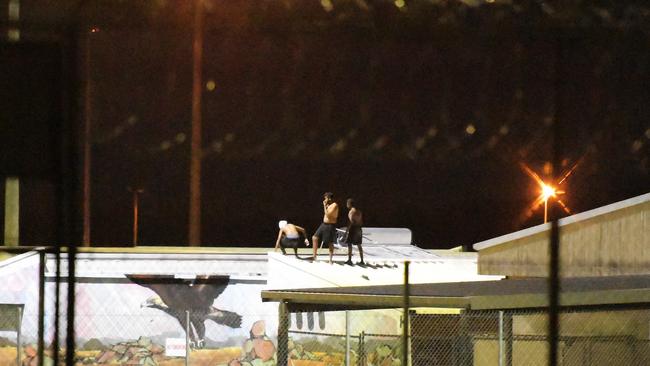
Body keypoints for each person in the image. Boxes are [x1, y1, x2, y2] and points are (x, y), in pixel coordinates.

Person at [312, 192, 339, 263]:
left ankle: (330, 260)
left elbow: (328, 215)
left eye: (326, 198)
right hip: (324, 224)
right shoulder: (329, 205)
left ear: (329, 198)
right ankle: (314, 256)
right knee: (314, 237)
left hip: (330, 225)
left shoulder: (334, 205)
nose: (325, 199)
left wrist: (324, 206)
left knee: (330, 242)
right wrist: (326, 206)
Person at [344, 198, 364, 265]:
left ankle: (349, 260)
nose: (346, 205)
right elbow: (361, 221)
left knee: (349, 244)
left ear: (349, 204)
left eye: (347, 203)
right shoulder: (359, 211)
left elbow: (350, 222)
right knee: (359, 245)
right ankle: (362, 260)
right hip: (359, 228)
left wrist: (346, 232)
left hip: (353, 229)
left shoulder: (351, 212)